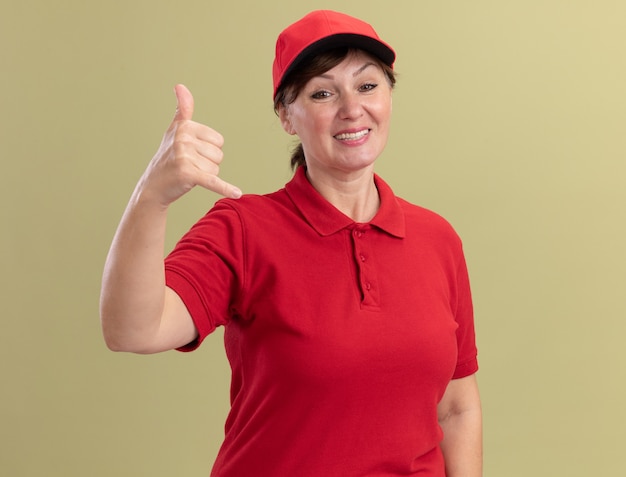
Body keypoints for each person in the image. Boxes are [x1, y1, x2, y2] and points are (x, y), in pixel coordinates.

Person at [100, 9, 482, 477]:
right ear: (286, 115)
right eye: (323, 93)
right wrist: (152, 196)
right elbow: (132, 330)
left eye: (368, 86)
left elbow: (457, 409)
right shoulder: (243, 228)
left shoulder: (437, 238)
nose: (351, 108)